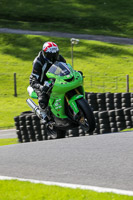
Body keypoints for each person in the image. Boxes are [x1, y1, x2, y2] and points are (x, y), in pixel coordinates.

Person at [29, 41, 66, 124]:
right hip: (39, 82)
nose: (53, 57)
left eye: (55, 54)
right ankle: (43, 115)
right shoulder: (38, 61)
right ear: (44, 53)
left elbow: (66, 68)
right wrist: (41, 87)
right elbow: (34, 78)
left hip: (54, 79)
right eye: (50, 55)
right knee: (43, 97)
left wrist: (73, 72)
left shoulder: (59, 58)